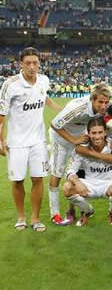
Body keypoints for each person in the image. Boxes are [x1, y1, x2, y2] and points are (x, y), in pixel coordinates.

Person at [0, 47, 61, 232]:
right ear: (21, 64)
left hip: (38, 141)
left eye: (35, 63)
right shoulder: (11, 85)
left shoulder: (44, 80)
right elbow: (1, 115)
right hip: (16, 142)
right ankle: (21, 217)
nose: (32, 67)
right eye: (28, 63)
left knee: (38, 179)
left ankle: (35, 218)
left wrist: (60, 110)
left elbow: (44, 97)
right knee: (17, 181)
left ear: (39, 63)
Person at [48, 83, 112, 225]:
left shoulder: (107, 106)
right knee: (57, 173)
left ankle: (75, 209)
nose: (104, 106)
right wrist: (74, 140)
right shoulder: (78, 108)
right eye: (100, 102)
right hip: (61, 138)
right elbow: (54, 124)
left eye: (106, 102)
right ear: (92, 100)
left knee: (79, 173)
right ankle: (55, 214)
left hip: (80, 138)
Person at [63, 118, 112, 226]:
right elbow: (70, 171)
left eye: (100, 132)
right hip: (89, 184)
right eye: (94, 133)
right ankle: (87, 211)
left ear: (105, 132)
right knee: (67, 187)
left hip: (109, 183)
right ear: (88, 133)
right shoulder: (82, 149)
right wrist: (78, 183)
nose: (97, 136)